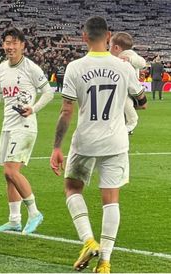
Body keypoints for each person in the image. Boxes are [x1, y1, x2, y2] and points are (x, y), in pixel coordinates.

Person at [50, 16, 147, 273]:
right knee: (111, 199)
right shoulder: (123, 66)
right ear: (108, 36)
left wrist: (56, 147)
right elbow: (142, 100)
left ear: (84, 37)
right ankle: (104, 262)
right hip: (116, 141)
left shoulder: (74, 67)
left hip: (86, 141)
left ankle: (88, 241)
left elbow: (66, 111)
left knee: (72, 189)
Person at [0, 27, 54, 235]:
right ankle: (14, 220)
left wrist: (33, 108)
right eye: (7, 43)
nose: (10, 47)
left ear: (22, 45)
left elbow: (48, 93)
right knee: (8, 176)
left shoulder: (31, 68)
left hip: (25, 126)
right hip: (8, 126)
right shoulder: (1, 68)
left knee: (11, 170)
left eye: (14, 43)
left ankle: (35, 212)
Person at [109, 31, 146, 135]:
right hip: (126, 89)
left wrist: (130, 59)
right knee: (126, 110)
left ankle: (127, 128)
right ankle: (126, 129)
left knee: (130, 112)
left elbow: (142, 63)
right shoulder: (116, 57)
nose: (109, 49)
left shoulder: (128, 54)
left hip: (128, 90)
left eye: (110, 46)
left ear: (116, 48)